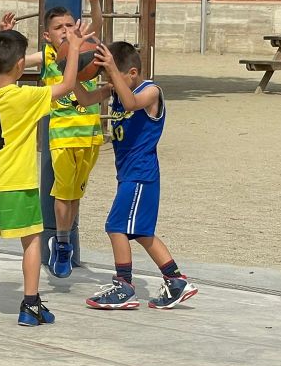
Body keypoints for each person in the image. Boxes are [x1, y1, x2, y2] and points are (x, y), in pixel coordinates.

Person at [0, 19, 86, 325]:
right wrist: (75, 48)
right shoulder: (27, 97)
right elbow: (67, 85)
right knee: (32, 241)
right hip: (18, 184)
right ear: (22, 64)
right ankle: (30, 304)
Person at [72, 40, 198, 311]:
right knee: (142, 233)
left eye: (113, 76)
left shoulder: (150, 91)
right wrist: (69, 71)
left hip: (141, 174)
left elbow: (131, 103)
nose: (110, 82)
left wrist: (112, 71)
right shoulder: (116, 88)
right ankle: (175, 280)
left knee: (115, 226)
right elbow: (85, 99)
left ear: (131, 73)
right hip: (130, 175)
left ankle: (124, 286)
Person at [20, 0, 103, 277]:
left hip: (90, 134)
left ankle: (65, 239)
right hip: (62, 137)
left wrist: (94, 2)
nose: (66, 31)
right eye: (59, 28)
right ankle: (62, 242)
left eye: (69, 25)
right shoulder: (47, 56)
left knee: (75, 195)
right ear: (47, 35)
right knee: (62, 194)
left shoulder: (85, 47)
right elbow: (16, 62)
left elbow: (97, 24)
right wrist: (4, 38)